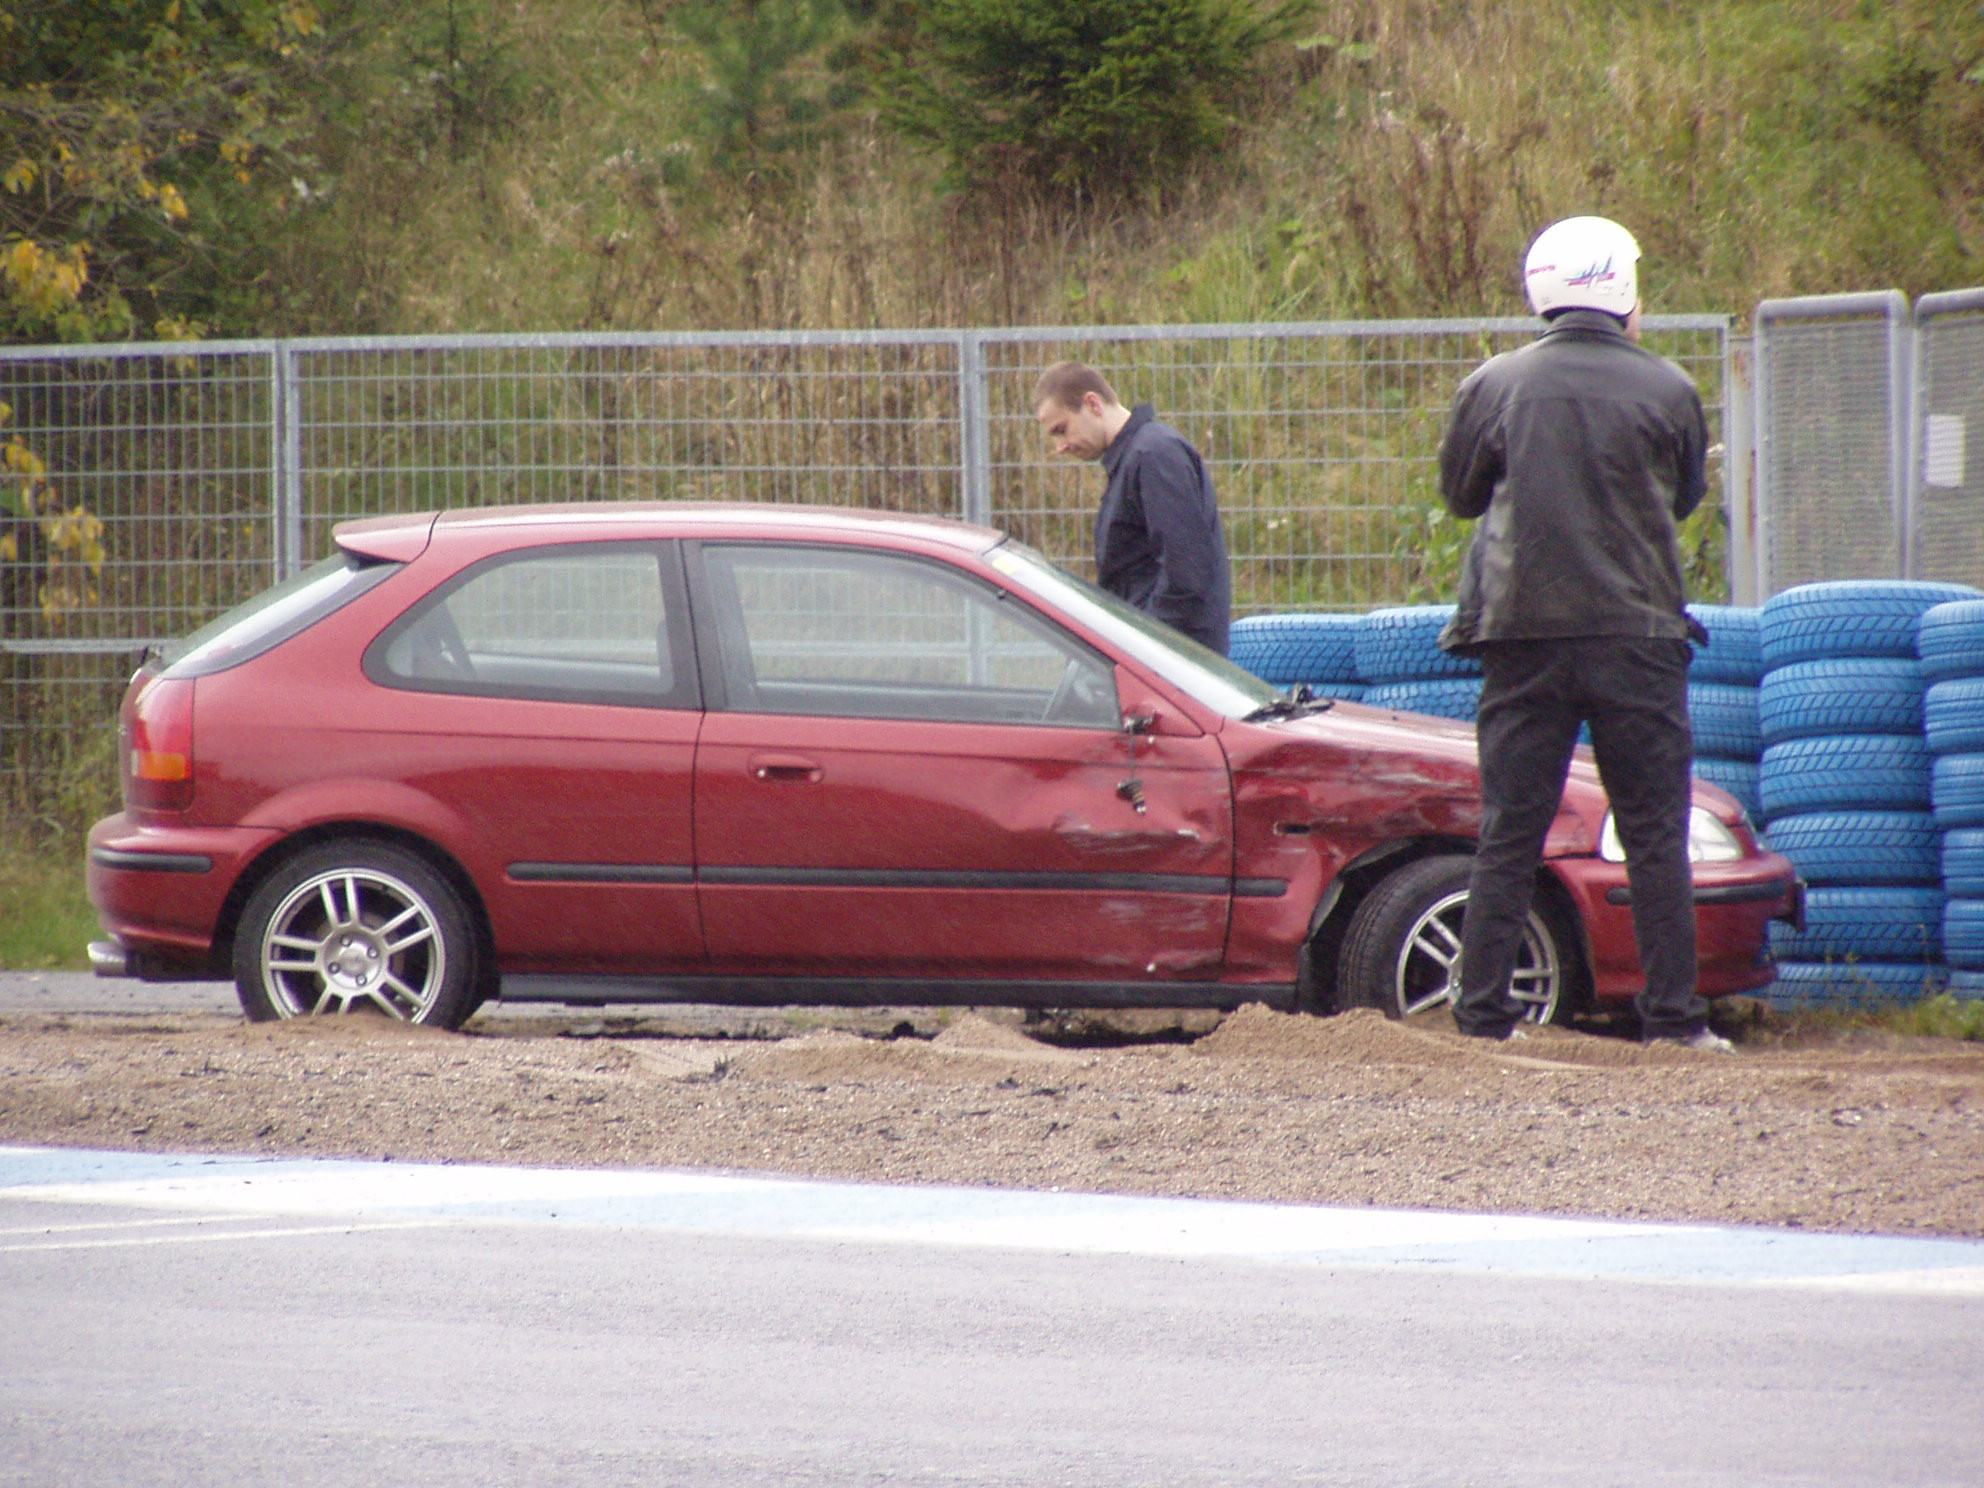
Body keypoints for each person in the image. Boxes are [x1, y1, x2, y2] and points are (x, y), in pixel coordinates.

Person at [1435, 215, 1733, 1053]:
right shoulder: (1669, 388)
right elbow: (1678, 499)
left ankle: (1483, 1016)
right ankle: (1675, 1023)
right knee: (1653, 830)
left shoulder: (1492, 384)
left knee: (1511, 829)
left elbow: (1461, 496)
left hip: (1523, 634)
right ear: (1624, 292)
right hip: (1637, 635)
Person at [1033, 361, 1231, 655]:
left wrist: (1141, 648)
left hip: (1173, 661)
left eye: (1062, 430)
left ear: (1092, 404)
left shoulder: (1154, 455)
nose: (1061, 446)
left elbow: (1187, 574)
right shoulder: (1136, 458)